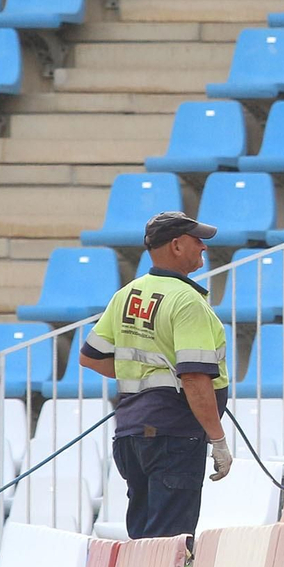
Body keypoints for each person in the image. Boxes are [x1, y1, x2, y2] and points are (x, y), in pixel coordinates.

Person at [79, 211, 233, 540]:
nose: (204, 247)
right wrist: (218, 440)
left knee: (144, 540)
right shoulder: (187, 301)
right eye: (197, 240)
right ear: (176, 246)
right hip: (173, 434)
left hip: (132, 432)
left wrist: (148, 375)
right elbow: (194, 378)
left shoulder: (127, 294)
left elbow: (90, 357)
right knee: (170, 545)